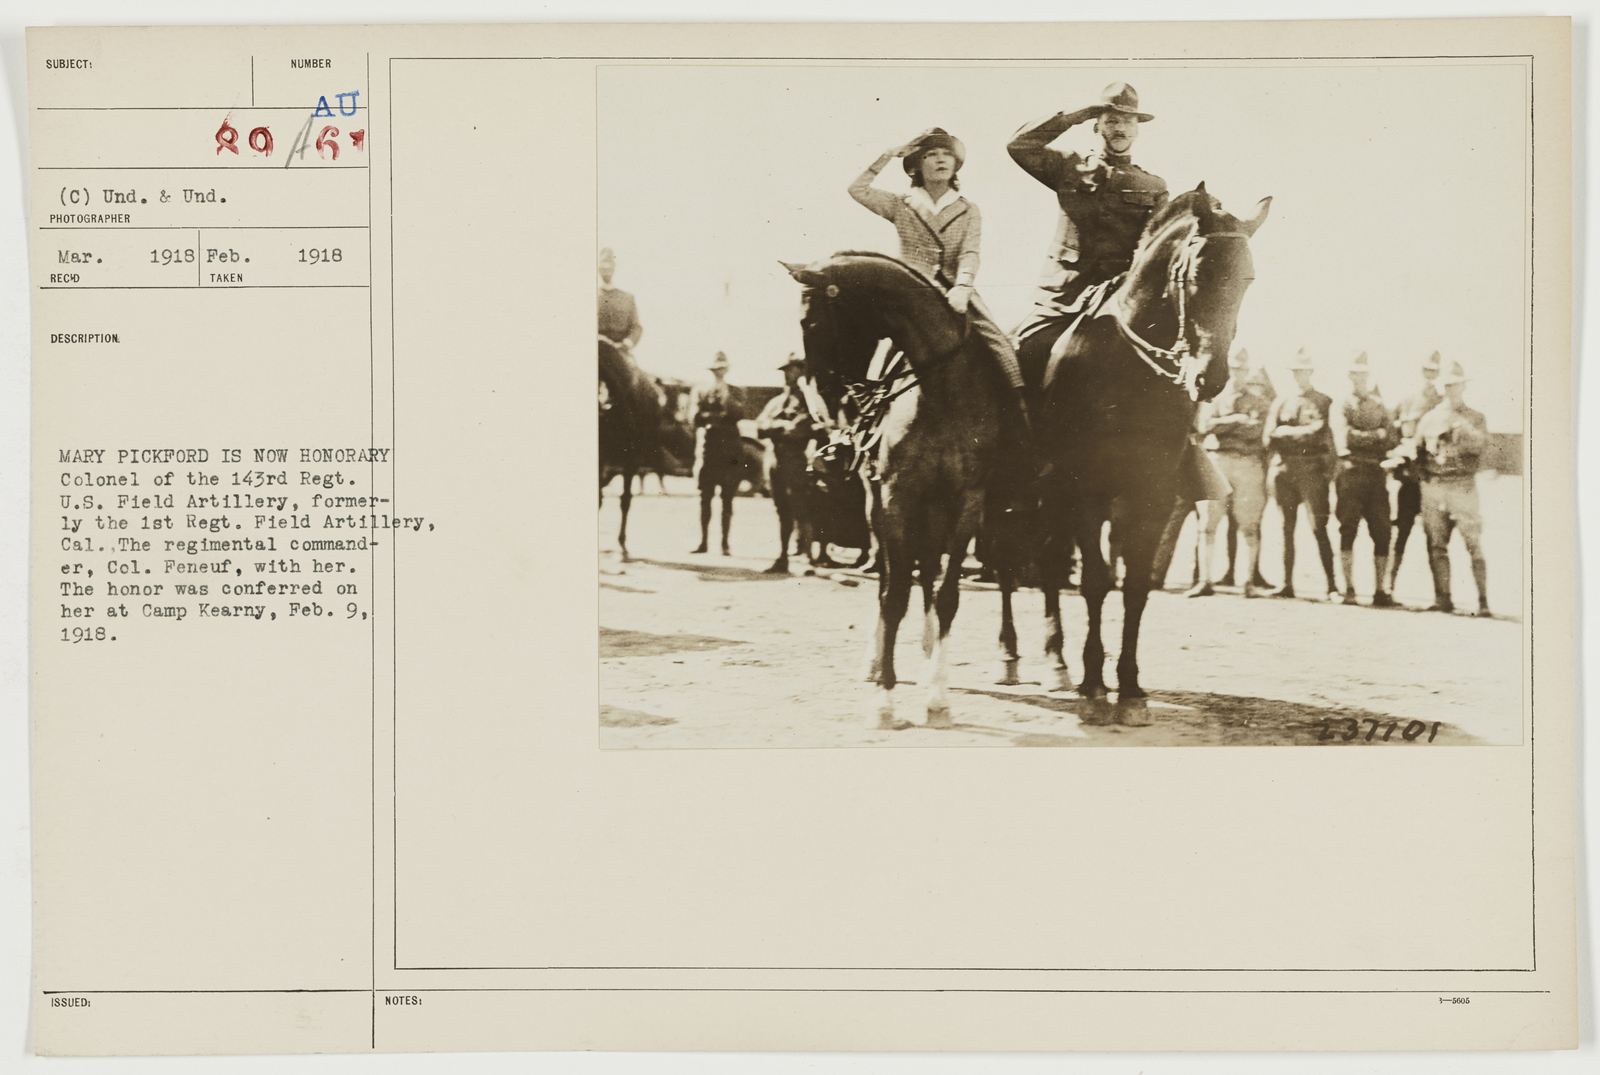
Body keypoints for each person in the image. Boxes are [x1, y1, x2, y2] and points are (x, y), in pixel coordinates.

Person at [848, 126, 1031, 446]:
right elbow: (857, 189)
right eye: (931, 154)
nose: (940, 159)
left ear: (956, 164)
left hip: (956, 293)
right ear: (916, 164)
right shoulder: (899, 204)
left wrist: (962, 287)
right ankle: (863, 430)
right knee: (879, 357)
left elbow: (970, 253)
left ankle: (1021, 425)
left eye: (947, 154)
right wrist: (887, 154)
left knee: (1000, 346)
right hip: (909, 294)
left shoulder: (968, 209)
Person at [1007, 82, 1169, 348]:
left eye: (1128, 122)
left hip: (1119, 300)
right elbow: (1019, 145)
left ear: (1137, 131)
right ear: (1096, 126)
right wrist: (1073, 116)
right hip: (1062, 297)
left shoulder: (1153, 186)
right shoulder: (1068, 166)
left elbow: (1153, 247)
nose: (1120, 129)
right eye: (1112, 121)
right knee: (1021, 352)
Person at [1391, 361, 1491, 616]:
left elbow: (1481, 448)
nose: (1451, 390)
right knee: (1437, 545)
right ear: (1442, 387)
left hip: (1462, 485)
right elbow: (1417, 451)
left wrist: (1458, 436)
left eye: (1456, 385)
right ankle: (1443, 599)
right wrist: (1423, 477)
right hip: (1434, 486)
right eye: (1447, 385)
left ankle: (1482, 601)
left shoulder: (1475, 418)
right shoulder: (1429, 418)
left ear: (1463, 387)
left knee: (1473, 545)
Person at [1190, 349, 1274, 598]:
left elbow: (1256, 432)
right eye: (1234, 368)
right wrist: (1237, 419)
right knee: (1207, 524)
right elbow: (1206, 426)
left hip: (1247, 462)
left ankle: (1247, 582)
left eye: (1242, 369)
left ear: (1248, 372)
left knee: (1249, 524)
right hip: (1218, 460)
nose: (1238, 373)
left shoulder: (1260, 402)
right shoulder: (1216, 399)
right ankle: (1205, 580)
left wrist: (1225, 424)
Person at [1264, 349, 1339, 601]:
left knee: (1319, 528)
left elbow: (1319, 433)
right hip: (1286, 469)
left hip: (1312, 470)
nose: (1299, 376)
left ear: (1311, 372)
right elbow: (1269, 436)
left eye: (1303, 371)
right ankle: (1286, 584)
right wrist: (1298, 432)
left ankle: (1332, 586)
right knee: (1287, 528)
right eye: (1295, 371)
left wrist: (1287, 433)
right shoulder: (1281, 401)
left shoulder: (1323, 401)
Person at [1330, 352, 1398, 606]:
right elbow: (1344, 438)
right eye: (1355, 374)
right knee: (1348, 530)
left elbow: (1391, 437)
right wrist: (1375, 435)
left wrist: (1372, 435)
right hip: (1351, 473)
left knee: (1382, 531)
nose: (1360, 379)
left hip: (1376, 474)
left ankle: (1380, 590)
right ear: (1349, 376)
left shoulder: (1379, 405)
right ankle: (1348, 589)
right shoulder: (1341, 404)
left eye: (1364, 374)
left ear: (1368, 377)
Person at [1385, 350, 1443, 594]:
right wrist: (1398, 452)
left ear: (1438, 374)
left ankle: (1441, 594)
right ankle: (1388, 587)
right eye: (1426, 371)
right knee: (1401, 534)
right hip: (1409, 481)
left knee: (1436, 539)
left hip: (1432, 482)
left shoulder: (1442, 405)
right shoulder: (1406, 402)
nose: (1429, 376)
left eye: (1434, 372)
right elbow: (1391, 436)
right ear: (1420, 372)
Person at [755, 355, 818, 574]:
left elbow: (802, 429)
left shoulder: (809, 401)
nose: (786, 375)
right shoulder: (775, 402)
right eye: (784, 371)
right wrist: (781, 425)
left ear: (801, 372)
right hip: (774, 459)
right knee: (781, 510)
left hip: (795, 460)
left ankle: (809, 560)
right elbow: (760, 427)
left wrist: (779, 427)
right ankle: (782, 558)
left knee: (801, 508)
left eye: (790, 371)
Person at [690, 353, 744, 556]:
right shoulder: (702, 391)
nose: (718, 373)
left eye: (721, 369)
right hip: (708, 451)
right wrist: (717, 417)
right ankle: (703, 542)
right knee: (705, 498)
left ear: (727, 370)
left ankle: (724, 543)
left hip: (730, 452)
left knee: (727, 499)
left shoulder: (736, 392)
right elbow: (695, 418)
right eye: (715, 370)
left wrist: (715, 414)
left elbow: (738, 414)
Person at [597, 247, 642, 355]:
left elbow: (636, 327)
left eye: (609, 267)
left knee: (630, 371)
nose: (606, 271)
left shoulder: (627, 298)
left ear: (613, 268)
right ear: (599, 269)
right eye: (603, 267)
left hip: (620, 350)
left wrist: (626, 343)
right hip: (597, 349)